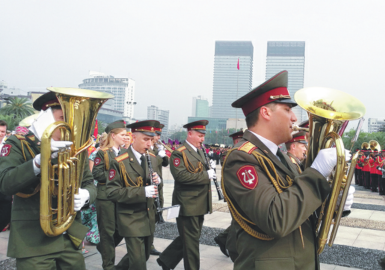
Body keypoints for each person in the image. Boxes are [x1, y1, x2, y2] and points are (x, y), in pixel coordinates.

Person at [221, 70, 352, 270]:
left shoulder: (281, 157)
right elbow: (276, 219)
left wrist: (335, 202)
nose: (294, 118)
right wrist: (316, 173)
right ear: (266, 112)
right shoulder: (242, 158)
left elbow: (300, 208)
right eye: (287, 110)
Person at [0, 91, 96, 270]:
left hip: (69, 237)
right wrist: (38, 161)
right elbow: (5, 183)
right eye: (62, 117)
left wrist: (86, 195)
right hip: (34, 241)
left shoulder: (75, 148)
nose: (69, 124)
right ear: (47, 117)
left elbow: (89, 182)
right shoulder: (18, 143)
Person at [157, 120, 216, 270]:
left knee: (191, 238)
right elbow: (181, 177)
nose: (202, 139)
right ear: (190, 134)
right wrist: (205, 175)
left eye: (203, 136)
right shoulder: (179, 152)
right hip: (187, 204)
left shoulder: (200, 150)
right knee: (191, 243)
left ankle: (166, 260)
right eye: (199, 135)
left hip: (200, 202)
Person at [106, 120, 161, 270]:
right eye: (145, 139)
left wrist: (158, 181)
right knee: (138, 263)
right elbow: (112, 192)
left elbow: (154, 184)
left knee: (144, 256)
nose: (149, 144)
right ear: (133, 138)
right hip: (130, 218)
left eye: (151, 139)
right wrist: (143, 191)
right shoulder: (119, 162)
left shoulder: (152, 158)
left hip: (148, 216)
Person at [92, 120, 127, 270]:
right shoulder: (103, 152)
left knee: (121, 229)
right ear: (113, 135)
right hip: (105, 196)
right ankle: (108, 265)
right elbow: (97, 173)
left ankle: (103, 247)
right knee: (107, 232)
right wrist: (116, 175)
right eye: (123, 135)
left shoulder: (125, 153)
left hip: (120, 196)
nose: (126, 137)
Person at [214, 129, 243, 262]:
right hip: (233, 193)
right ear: (237, 141)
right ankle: (232, 248)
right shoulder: (231, 155)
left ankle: (223, 238)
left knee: (238, 221)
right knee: (238, 222)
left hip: (240, 194)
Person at [149, 122, 169, 255]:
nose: (158, 137)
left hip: (158, 185)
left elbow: (166, 163)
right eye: (156, 134)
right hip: (149, 186)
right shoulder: (147, 148)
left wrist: (163, 154)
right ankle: (148, 245)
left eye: (159, 134)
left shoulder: (157, 148)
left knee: (156, 213)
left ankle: (149, 243)